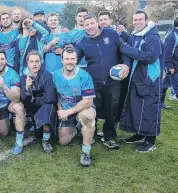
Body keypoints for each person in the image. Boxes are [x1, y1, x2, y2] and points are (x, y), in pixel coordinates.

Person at [75, 14, 130, 149]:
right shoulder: (82, 42)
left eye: (92, 23)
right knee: (92, 110)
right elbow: (73, 61)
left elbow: (124, 51)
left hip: (113, 81)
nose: (90, 27)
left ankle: (109, 136)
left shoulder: (111, 34)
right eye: (86, 25)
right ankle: (91, 135)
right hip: (93, 83)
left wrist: (126, 64)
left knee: (112, 110)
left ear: (97, 23)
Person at [119, 10, 163, 152]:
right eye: (135, 20)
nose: (137, 22)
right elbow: (129, 50)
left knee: (149, 109)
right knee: (138, 107)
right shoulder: (135, 35)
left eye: (140, 20)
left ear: (146, 21)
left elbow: (150, 57)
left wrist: (127, 49)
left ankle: (151, 141)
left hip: (150, 79)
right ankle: (139, 134)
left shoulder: (152, 37)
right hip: (137, 78)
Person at [53, 47, 97, 166]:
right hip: (66, 111)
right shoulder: (55, 75)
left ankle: (86, 152)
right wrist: (60, 109)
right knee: (63, 141)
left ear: (77, 60)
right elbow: (56, 95)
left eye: (73, 59)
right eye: (67, 59)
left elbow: (88, 101)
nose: (70, 61)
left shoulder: (85, 76)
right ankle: (78, 128)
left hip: (83, 109)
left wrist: (68, 112)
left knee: (87, 117)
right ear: (62, 60)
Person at [20, 51, 57, 154]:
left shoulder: (47, 75)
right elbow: (23, 98)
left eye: (37, 61)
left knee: (47, 106)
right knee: (37, 134)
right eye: (31, 61)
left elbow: (50, 98)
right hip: (32, 108)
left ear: (41, 62)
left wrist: (33, 100)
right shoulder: (23, 76)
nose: (34, 64)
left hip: (45, 107)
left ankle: (46, 140)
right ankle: (32, 125)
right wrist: (27, 89)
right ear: (27, 63)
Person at [161, 17, 178, 109]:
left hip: (174, 65)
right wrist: (170, 67)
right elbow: (166, 53)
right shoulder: (172, 36)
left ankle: (160, 102)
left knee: (165, 83)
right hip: (172, 66)